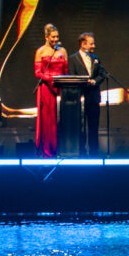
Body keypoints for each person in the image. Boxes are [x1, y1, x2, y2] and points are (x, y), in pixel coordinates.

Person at [68, 32, 106, 157]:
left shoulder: (95, 58)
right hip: (80, 97)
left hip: (93, 97)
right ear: (83, 44)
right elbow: (71, 77)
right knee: (81, 126)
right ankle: (81, 152)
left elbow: (102, 74)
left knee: (93, 125)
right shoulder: (73, 59)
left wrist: (95, 81)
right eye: (91, 43)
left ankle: (94, 152)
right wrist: (84, 82)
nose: (94, 46)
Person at [34, 23, 68, 158]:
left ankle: (61, 150)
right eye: (53, 37)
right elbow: (38, 72)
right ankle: (47, 151)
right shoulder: (40, 51)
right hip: (46, 88)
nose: (55, 39)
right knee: (48, 120)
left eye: (57, 37)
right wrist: (51, 79)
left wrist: (62, 82)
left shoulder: (63, 51)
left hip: (60, 87)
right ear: (46, 37)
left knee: (60, 118)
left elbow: (66, 72)